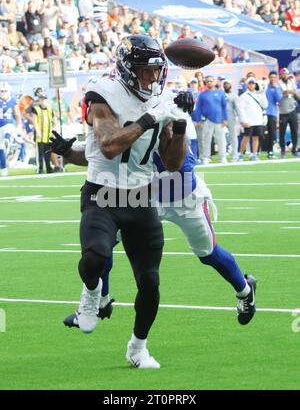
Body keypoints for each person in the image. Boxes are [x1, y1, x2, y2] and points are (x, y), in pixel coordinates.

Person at [49, 121, 257, 334]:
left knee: (208, 253)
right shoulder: (132, 116)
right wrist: (69, 152)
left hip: (183, 198)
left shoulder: (163, 117)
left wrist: (174, 120)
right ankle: (101, 301)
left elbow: (173, 160)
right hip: (145, 199)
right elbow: (101, 154)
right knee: (105, 243)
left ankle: (245, 291)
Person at [60, 34, 186, 369]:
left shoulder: (162, 97)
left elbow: (172, 163)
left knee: (150, 281)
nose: (153, 78)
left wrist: (181, 125)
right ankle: (91, 292)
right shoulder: (103, 93)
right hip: (102, 193)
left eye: (157, 71)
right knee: (94, 257)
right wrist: (150, 118)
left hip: (141, 196)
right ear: (129, 69)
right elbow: (109, 146)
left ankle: (138, 348)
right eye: (146, 71)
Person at [192, 76, 228, 164]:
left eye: (211, 81)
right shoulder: (202, 94)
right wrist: (198, 120)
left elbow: (224, 107)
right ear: (205, 83)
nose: (209, 83)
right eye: (207, 81)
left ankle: (222, 157)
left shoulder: (221, 93)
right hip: (207, 120)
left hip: (219, 120)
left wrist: (225, 118)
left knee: (221, 140)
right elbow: (198, 108)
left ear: (214, 82)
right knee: (206, 140)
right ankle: (206, 157)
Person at [237, 77, 268, 161]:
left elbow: (265, 105)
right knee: (246, 137)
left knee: (256, 137)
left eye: (253, 84)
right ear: (247, 85)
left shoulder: (258, 94)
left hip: (258, 120)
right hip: (248, 121)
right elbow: (241, 109)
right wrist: (243, 120)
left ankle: (254, 154)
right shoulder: (243, 96)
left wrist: (263, 93)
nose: (251, 85)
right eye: (250, 83)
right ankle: (240, 154)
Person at [0, 81, 23, 176]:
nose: (3, 93)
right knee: (0, 148)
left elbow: (17, 114)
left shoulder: (13, 101)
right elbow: (17, 115)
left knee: (8, 129)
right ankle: (4, 168)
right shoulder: (13, 100)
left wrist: (19, 126)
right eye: (2, 91)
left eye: (5, 91)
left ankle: (8, 139)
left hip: (8, 124)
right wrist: (19, 125)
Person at [30, 92, 56, 174]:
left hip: (48, 134)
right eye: (41, 99)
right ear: (39, 100)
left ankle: (49, 167)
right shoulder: (36, 109)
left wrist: (54, 129)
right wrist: (37, 131)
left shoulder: (50, 109)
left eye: (44, 99)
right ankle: (40, 168)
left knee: (48, 153)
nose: (43, 101)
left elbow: (53, 120)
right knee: (40, 154)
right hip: (40, 135)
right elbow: (34, 121)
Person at [278, 68, 300, 157]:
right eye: (283, 74)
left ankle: (294, 149)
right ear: (280, 75)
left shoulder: (292, 83)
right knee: (282, 132)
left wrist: (294, 93)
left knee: (294, 131)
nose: (285, 76)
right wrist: (284, 93)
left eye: (286, 74)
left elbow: (298, 97)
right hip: (283, 111)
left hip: (292, 110)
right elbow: (277, 95)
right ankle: (283, 150)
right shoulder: (278, 84)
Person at [265, 71, 283, 159]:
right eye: (271, 77)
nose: (272, 78)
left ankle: (270, 151)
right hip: (263, 113)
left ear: (276, 78)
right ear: (269, 77)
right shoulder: (264, 87)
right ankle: (256, 152)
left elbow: (279, 99)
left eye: (274, 77)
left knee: (272, 133)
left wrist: (275, 88)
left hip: (272, 113)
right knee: (260, 133)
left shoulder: (276, 88)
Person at [223, 81, 240, 162]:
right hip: (221, 118)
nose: (227, 85)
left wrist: (239, 118)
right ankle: (223, 155)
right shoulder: (221, 94)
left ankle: (235, 155)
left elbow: (237, 107)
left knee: (233, 136)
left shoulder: (234, 95)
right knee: (221, 137)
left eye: (228, 84)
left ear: (231, 85)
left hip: (231, 117)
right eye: (225, 84)